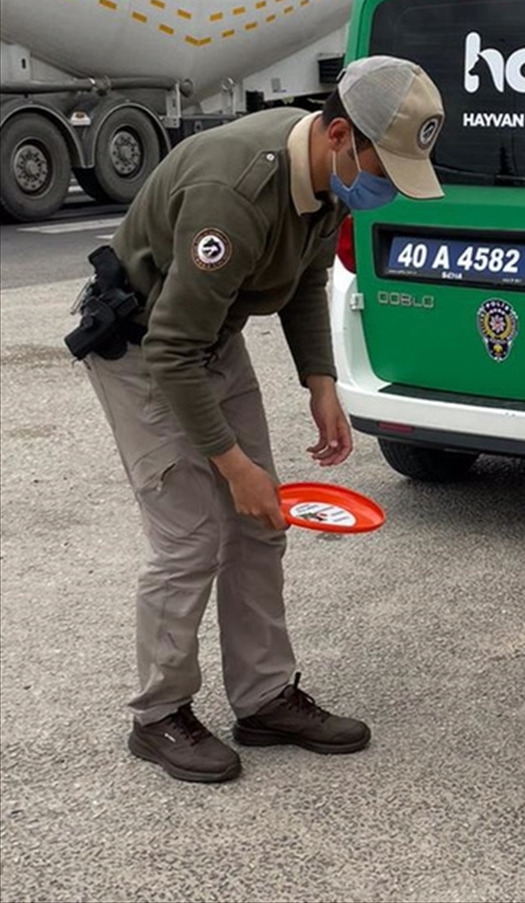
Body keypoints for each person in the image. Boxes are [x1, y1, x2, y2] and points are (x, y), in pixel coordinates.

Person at [69, 55, 445, 783]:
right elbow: (173, 349)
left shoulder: (326, 179)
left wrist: (321, 381)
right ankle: (159, 716)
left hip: (209, 337)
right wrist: (231, 462)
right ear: (340, 135)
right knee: (192, 537)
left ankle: (265, 697)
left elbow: (305, 279)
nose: (387, 188)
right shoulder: (233, 196)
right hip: (145, 348)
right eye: (384, 169)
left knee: (261, 521)